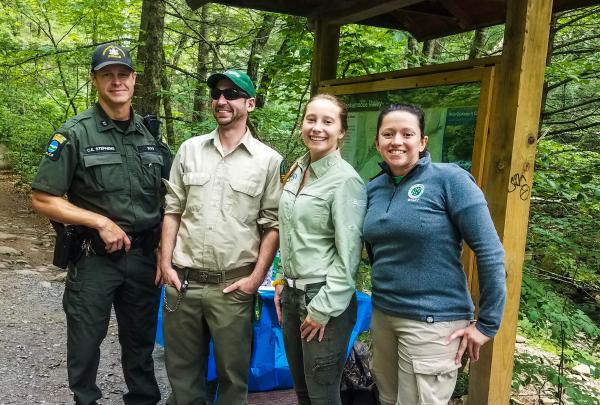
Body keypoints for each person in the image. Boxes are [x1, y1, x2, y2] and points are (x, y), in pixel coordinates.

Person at [31, 43, 171, 404]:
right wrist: (99, 221)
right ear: (95, 80)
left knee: (139, 342)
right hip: (94, 258)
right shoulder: (74, 134)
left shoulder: (151, 136)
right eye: (107, 75)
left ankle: (142, 400)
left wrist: (164, 250)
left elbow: (172, 198)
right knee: (85, 341)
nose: (116, 82)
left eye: (123, 74)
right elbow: (43, 198)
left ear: (134, 79)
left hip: (143, 258)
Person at [362, 103, 506, 405]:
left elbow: (490, 251)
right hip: (384, 315)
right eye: (388, 134)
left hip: (433, 321)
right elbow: (375, 250)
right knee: (387, 400)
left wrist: (487, 324)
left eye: (407, 133)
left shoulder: (450, 180)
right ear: (377, 142)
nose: (396, 141)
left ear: (423, 141)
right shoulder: (374, 188)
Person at [159, 69, 282, 404]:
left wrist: (255, 279)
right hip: (183, 282)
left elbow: (272, 225)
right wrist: (166, 264)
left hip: (233, 288)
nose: (221, 101)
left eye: (231, 94)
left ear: (251, 103)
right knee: (183, 378)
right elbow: (172, 209)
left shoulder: (268, 160)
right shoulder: (189, 150)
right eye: (216, 94)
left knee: (233, 379)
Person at [273, 94, 367, 405]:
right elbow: (288, 229)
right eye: (311, 119)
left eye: (328, 122)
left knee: (323, 395)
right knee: (301, 391)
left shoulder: (345, 181)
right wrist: (280, 280)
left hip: (323, 298)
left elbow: (349, 254)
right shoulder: (298, 169)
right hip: (291, 296)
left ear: (341, 131)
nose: (317, 127)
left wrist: (323, 307)